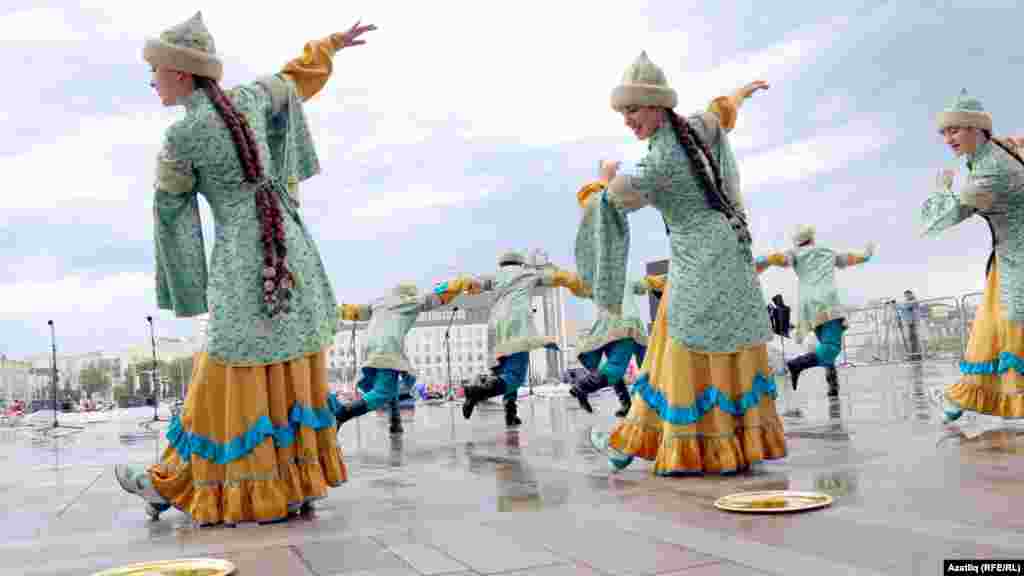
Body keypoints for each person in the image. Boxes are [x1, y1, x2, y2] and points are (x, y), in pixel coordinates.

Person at [114, 12, 376, 527]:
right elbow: (293, 80)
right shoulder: (251, 99)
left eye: (155, 71)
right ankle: (292, 485)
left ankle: (173, 483)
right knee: (289, 361)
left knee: (224, 372)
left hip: (243, 262)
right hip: (291, 252)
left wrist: (185, 285)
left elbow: (173, 216)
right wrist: (331, 44)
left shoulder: (181, 137)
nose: (152, 81)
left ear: (181, 73)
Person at [582, 51, 786, 476]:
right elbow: (719, 112)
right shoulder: (692, 129)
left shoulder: (657, 165)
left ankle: (684, 448)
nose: (627, 120)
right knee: (704, 347)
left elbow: (608, 204)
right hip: (728, 253)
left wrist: (601, 181)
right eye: (623, 112)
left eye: (633, 110)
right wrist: (743, 93)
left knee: (680, 353)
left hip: (698, 261)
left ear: (657, 106)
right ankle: (645, 444)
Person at [922, 89, 1024, 424]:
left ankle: (968, 397)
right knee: (990, 326)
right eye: (944, 132)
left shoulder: (988, 173)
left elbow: (941, 218)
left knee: (1011, 327)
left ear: (976, 129)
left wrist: (941, 189)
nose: (948, 139)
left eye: (954, 130)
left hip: (1018, 257)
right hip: (1008, 257)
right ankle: (963, 396)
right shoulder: (996, 149)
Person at [458, 251, 591, 427]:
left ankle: (510, 413)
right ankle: (477, 392)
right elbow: (556, 277)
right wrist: (579, 284)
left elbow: (472, 286)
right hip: (516, 326)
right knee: (514, 376)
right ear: (520, 263)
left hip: (495, 328)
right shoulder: (527, 273)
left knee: (504, 375)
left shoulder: (494, 277)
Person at [334, 280, 477, 434]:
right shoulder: (410, 301)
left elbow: (356, 311)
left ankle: (395, 421)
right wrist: (459, 285)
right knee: (384, 391)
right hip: (388, 346)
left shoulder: (379, 303)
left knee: (392, 381)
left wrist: (336, 311)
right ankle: (343, 413)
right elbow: (436, 298)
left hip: (370, 345)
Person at [754, 225, 875, 397]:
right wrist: (866, 255)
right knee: (831, 347)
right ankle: (796, 365)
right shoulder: (826, 252)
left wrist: (756, 264)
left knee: (825, 344)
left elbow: (777, 258)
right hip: (827, 303)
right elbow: (848, 258)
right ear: (812, 238)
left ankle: (832, 383)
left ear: (797, 242)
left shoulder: (794, 253)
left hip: (809, 307)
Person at [568, 185, 655, 417]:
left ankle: (628, 404)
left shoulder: (594, 270)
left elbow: (582, 287)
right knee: (624, 366)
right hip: (626, 323)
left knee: (640, 363)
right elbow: (643, 285)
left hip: (609, 326)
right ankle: (583, 387)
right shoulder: (615, 267)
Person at [895, 289, 924, 361]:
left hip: (913, 323)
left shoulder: (913, 301)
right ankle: (914, 355)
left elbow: (906, 307)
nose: (906, 296)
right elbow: (904, 309)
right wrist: (897, 306)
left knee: (914, 339)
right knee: (912, 339)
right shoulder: (908, 301)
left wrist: (897, 305)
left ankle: (916, 355)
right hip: (909, 323)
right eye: (905, 295)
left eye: (907, 295)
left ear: (911, 294)